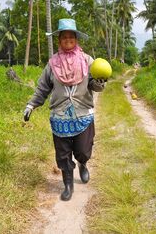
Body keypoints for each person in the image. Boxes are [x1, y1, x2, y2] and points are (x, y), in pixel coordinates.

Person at [23, 18, 106, 201]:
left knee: (83, 150)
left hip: (83, 114)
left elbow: (94, 84)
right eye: (64, 37)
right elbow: (43, 88)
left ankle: (83, 163)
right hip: (59, 117)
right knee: (63, 154)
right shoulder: (52, 64)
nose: (68, 40)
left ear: (76, 39)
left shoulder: (87, 60)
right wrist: (31, 105)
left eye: (71, 37)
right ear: (59, 41)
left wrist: (100, 83)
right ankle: (68, 184)